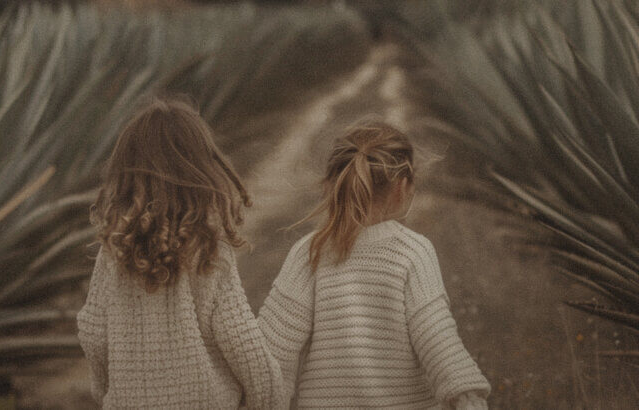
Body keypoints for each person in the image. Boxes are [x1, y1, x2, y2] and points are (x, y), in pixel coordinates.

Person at [258, 117, 490, 409]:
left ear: (331, 184)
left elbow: (270, 354)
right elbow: (438, 341)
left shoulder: (309, 252)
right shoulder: (413, 252)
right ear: (402, 187)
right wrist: (468, 398)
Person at [77, 96, 285, 409]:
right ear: (201, 168)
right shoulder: (208, 246)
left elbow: (94, 333)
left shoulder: (116, 249)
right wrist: (269, 400)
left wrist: (107, 392)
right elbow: (240, 337)